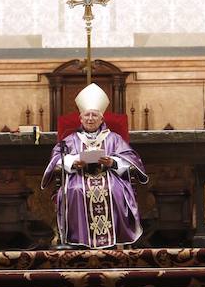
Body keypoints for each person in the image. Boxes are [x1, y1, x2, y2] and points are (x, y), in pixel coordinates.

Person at [41, 83, 147, 248]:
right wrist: (72, 162)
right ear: (81, 118)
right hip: (78, 176)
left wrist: (113, 162)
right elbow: (56, 159)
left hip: (109, 175)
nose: (90, 119)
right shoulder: (70, 139)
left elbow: (131, 160)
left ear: (101, 118)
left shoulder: (114, 138)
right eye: (87, 115)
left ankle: (116, 238)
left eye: (94, 115)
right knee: (75, 190)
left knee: (114, 190)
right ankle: (76, 239)